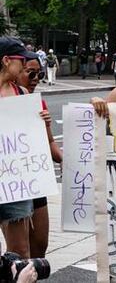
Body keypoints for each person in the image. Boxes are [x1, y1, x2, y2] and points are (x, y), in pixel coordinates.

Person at [0, 37, 52, 257]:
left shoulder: (21, 93)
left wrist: (42, 122)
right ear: (5, 61)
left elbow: (31, 139)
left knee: (20, 251)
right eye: (20, 60)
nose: (24, 65)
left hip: (15, 181)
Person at [18, 56, 62, 258]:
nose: (36, 78)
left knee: (39, 247)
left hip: (35, 182)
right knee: (20, 252)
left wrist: (70, 161)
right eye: (31, 73)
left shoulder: (39, 103)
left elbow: (51, 143)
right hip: (12, 184)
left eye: (40, 74)